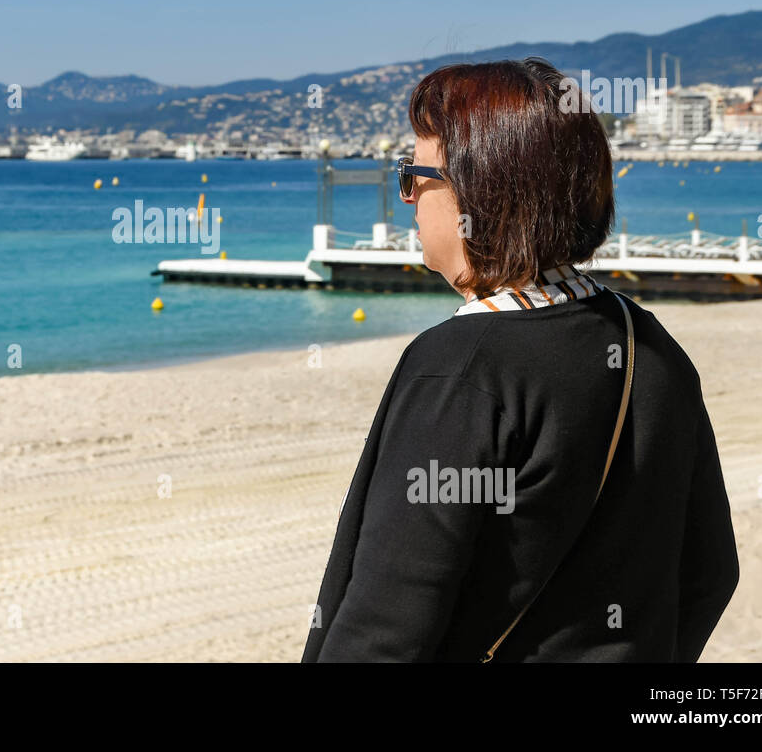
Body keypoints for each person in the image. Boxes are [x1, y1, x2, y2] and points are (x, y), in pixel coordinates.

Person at [302, 58, 739, 662]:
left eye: (412, 174)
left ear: (477, 189)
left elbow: (385, 626)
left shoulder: (461, 367)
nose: (406, 197)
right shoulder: (650, 344)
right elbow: (710, 573)